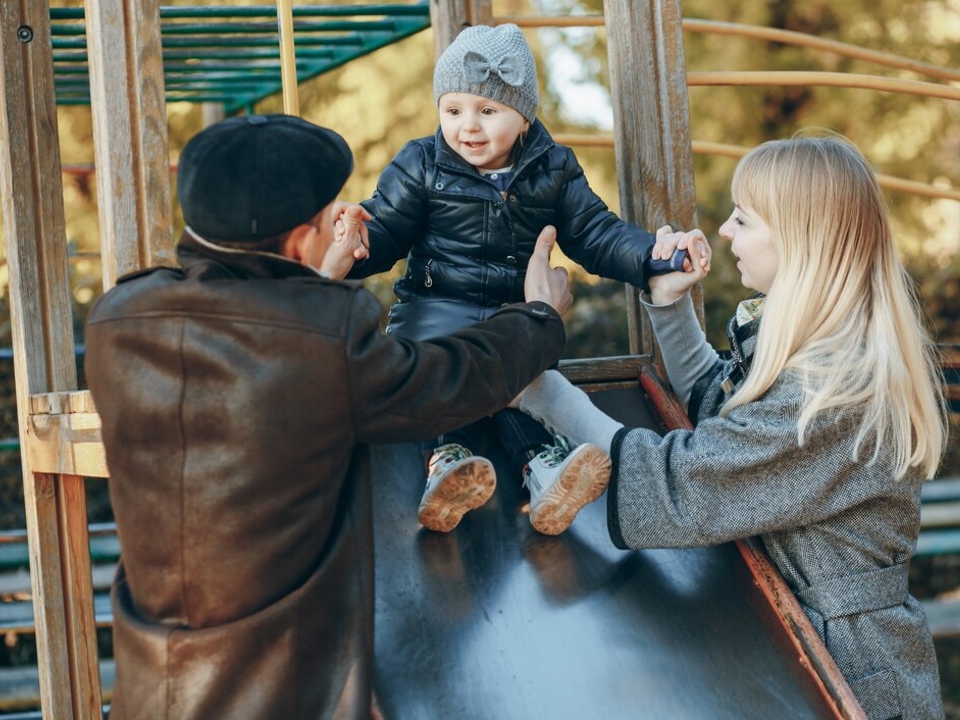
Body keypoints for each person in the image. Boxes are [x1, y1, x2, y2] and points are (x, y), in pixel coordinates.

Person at [84, 114, 573, 720]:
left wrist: (317, 278)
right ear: (296, 242)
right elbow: (447, 379)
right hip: (283, 691)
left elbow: (244, 346)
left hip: (152, 686)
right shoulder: (324, 338)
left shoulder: (117, 321)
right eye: (325, 219)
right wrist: (537, 317)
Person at [515, 137, 947, 719]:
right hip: (808, 648)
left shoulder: (839, 392)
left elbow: (683, 486)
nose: (723, 231)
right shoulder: (829, 358)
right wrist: (668, 306)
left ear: (797, 238)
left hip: (852, 675)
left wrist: (541, 388)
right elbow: (729, 418)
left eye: (743, 219)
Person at [331, 23, 690, 536]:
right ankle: (448, 464)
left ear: (524, 117)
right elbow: (385, 226)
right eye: (453, 111)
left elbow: (595, 231)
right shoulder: (421, 165)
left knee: (521, 376)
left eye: (487, 110)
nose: (468, 128)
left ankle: (544, 473)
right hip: (436, 317)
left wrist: (651, 257)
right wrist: (358, 246)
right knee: (450, 373)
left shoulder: (554, 169)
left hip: (517, 318)